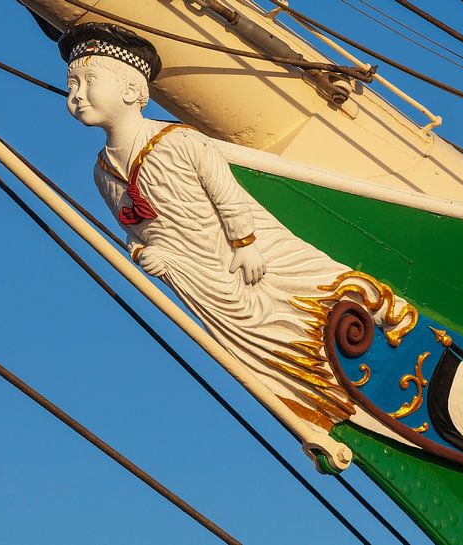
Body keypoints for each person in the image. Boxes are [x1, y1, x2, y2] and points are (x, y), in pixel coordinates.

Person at [59, 23, 415, 434]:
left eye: (88, 81)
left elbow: (227, 195)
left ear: (130, 89)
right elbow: (135, 231)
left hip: (237, 256)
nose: (76, 94)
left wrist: (245, 244)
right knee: (260, 345)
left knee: (299, 298)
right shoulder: (102, 173)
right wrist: (144, 254)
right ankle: (314, 391)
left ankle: (353, 355)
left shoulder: (179, 142)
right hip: (197, 281)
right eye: (71, 85)